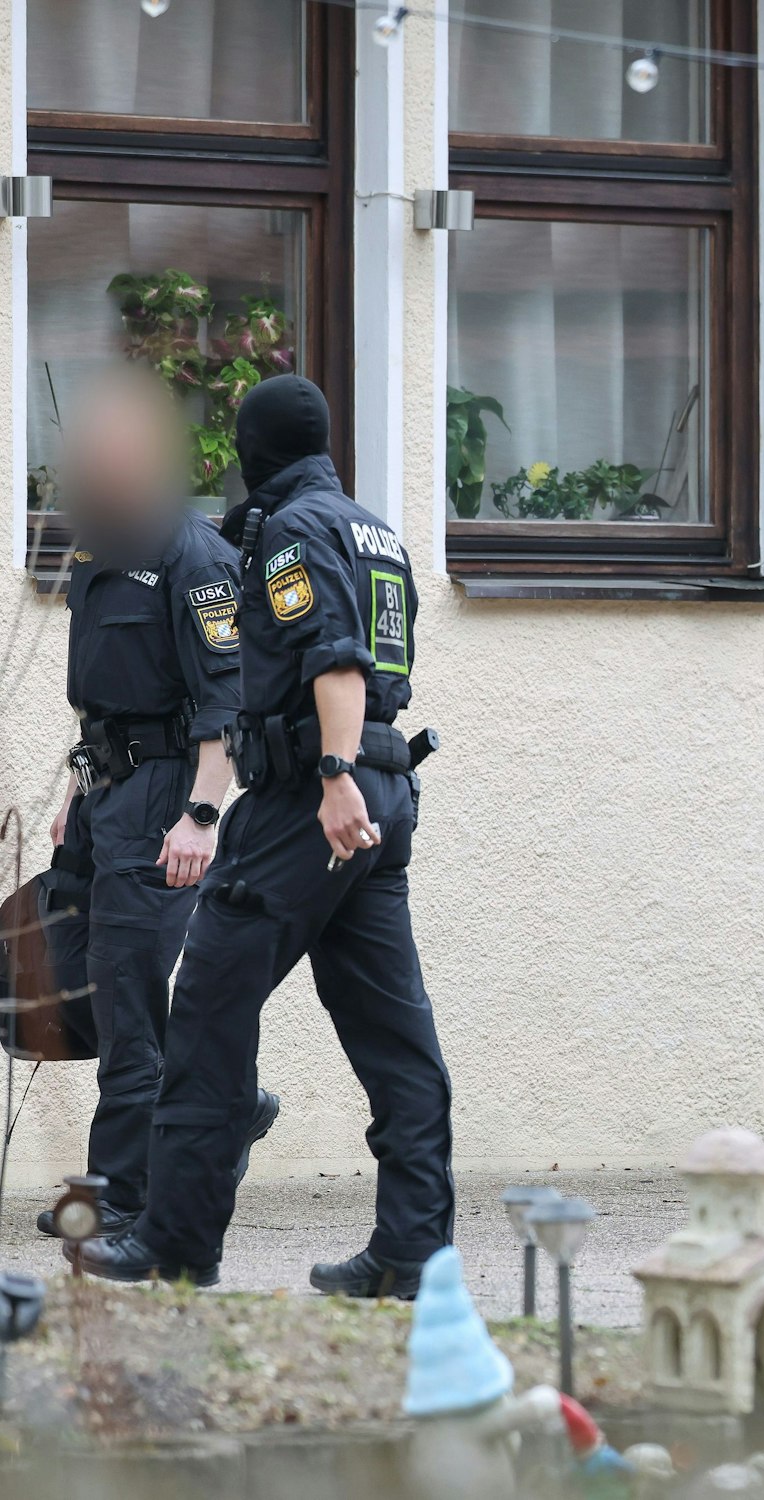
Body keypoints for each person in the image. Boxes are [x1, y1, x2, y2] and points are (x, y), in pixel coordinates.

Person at [77, 374, 454, 1293]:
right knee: (396, 1038)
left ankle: (176, 1240)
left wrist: (330, 775)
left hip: (312, 798)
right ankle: (413, 1251)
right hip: (382, 790)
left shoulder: (290, 530)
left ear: (257, 449)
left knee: (207, 1009)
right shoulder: (373, 529)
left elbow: (334, 657)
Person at [39, 371, 278, 1239]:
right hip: (105, 795)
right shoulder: (97, 551)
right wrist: (78, 789)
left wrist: (202, 816)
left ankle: (122, 1190)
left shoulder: (194, 555)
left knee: (127, 988)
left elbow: (226, 696)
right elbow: (105, 694)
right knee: (90, 980)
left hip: (163, 798)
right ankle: (227, 1104)